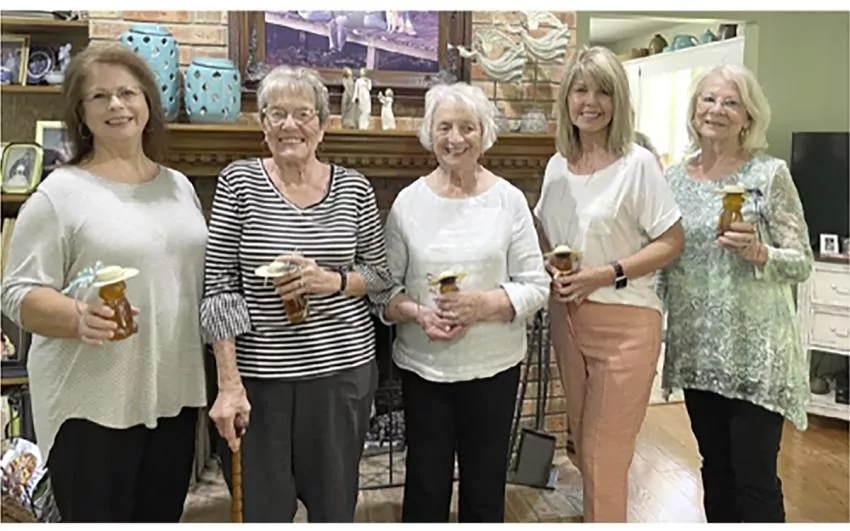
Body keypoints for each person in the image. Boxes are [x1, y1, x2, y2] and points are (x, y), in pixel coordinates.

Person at [0, 42, 208, 522]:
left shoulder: (179, 187)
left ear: (148, 103)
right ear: (81, 112)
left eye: (128, 93)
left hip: (174, 395)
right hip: (91, 406)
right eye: (100, 96)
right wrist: (76, 316)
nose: (117, 105)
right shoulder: (59, 194)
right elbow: (15, 292)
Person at [201, 65, 393, 523]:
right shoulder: (239, 183)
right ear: (263, 125)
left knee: (334, 508)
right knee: (263, 510)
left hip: (340, 376)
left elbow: (380, 276)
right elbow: (220, 288)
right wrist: (229, 384)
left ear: (323, 125)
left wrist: (332, 281)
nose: (290, 125)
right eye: (277, 114)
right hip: (260, 380)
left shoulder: (354, 188)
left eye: (303, 114)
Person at [377, 82, 549, 523]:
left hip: (494, 369)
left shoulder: (509, 200)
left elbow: (536, 285)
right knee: (425, 486)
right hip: (424, 369)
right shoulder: (408, 203)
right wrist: (418, 314)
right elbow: (385, 291)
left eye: (467, 127)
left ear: (484, 133)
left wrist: (484, 305)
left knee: (485, 489)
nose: (455, 138)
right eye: (445, 127)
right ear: (430, 133)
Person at [533, 46, 685, 523]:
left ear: (618, 101)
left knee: (605, 454)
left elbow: (672, 241)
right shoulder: (557, 165)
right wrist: (546, 262)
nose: (591, 102)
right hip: (567, 320)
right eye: (581, 90)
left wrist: (606, 272)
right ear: (567, 99)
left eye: (603, 92)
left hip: (626, 324)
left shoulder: (638, 164)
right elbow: (544, 230)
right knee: (583, 444)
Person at [658, 64, 812, 523]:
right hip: (698, 350)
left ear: (748, 117)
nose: (717, 110)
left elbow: (802, 261)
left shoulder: (770, 174)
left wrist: (759, 251)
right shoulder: (672, 179)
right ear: (694, 110)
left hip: (756, 353)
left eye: (730, 102)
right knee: (715, 469)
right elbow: (664, 258)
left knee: (754, 476)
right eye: (708, 99)